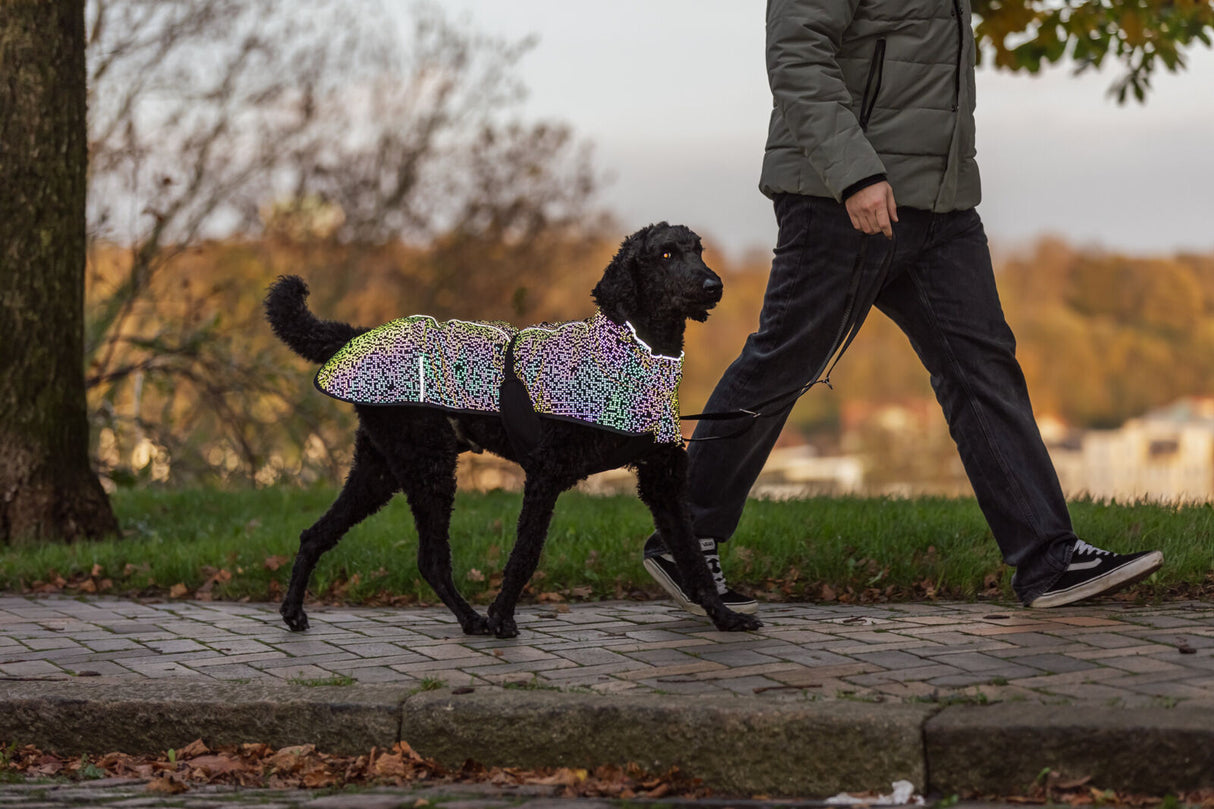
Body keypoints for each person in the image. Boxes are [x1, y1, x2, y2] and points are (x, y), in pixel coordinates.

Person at [642, 0, 1163, 614]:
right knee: (783, 365)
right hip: (842, 199)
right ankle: (684, 536)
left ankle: (1047, 561)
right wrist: (856, 175)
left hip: (940, 206)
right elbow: (797, 53)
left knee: (984, 369)